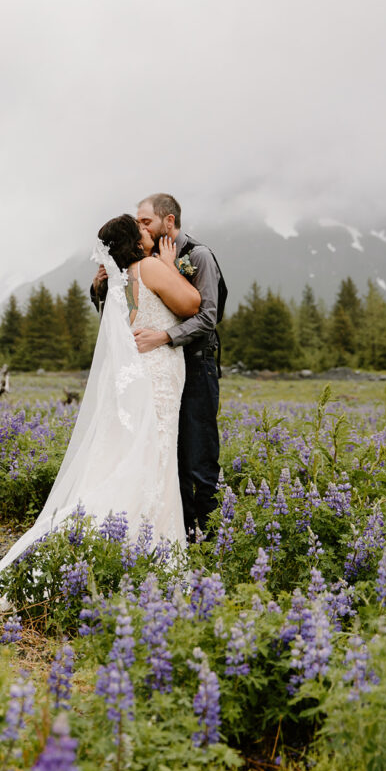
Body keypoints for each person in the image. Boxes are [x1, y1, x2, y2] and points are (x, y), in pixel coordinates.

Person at [0, 213, 199, 598]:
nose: (148, 232)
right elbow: (192, 303)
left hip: (141, 377)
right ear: (134, 241)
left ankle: (131, 549)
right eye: (141, 228)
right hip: (157, 375)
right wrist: (170, 267)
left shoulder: (118, 281)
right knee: (155, 460)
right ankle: (153, 553)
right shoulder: (150, 269)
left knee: (138, 457)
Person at [92, 194, 226, 539]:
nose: (141, 227)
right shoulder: (146, 262)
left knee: (198, 454)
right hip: (159, 369)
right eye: (137, 223)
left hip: (196, 365)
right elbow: (124, 318)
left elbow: (207, 316)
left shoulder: (198, 256)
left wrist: (165, 335)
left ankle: (210, 536)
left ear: (169, 222)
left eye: (146, 221)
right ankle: (175, 531)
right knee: (167, 454)